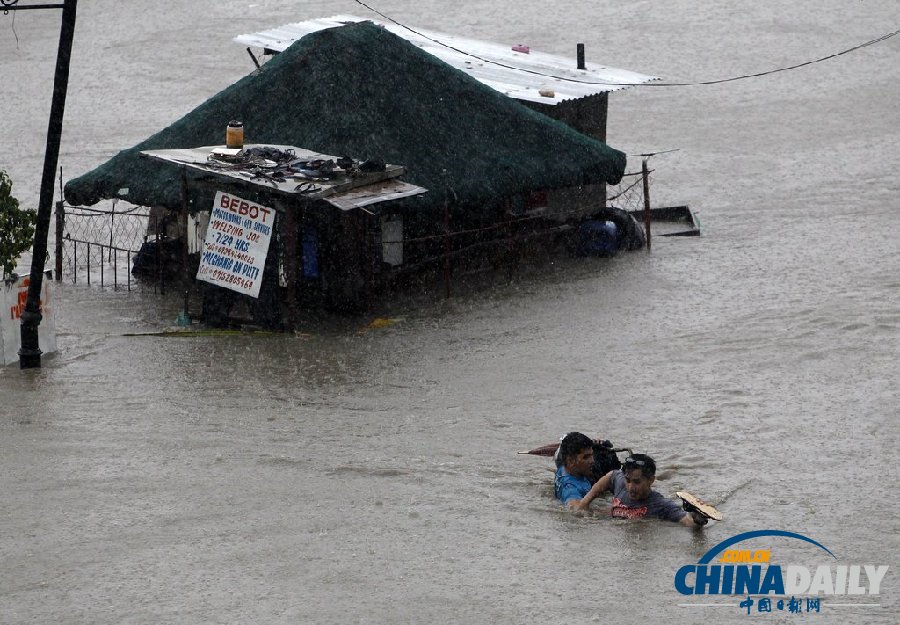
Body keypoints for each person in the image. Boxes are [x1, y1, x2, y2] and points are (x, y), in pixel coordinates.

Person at [571, 453, 709, 528]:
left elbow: (685, 520)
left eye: (637, 482)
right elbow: (611, 476)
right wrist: (584, 503)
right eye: (628, 480)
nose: (630, 487)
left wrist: (697, 521)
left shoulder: (661, 504)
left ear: (651, 480)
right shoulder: (621, 482)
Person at [553, 432, 597, 509]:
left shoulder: (562, 465)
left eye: (592, 455)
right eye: (586, 457)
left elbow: (567, 440)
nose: (592, 461)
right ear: (570, 460)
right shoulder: (571, 487)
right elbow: (574, 508)